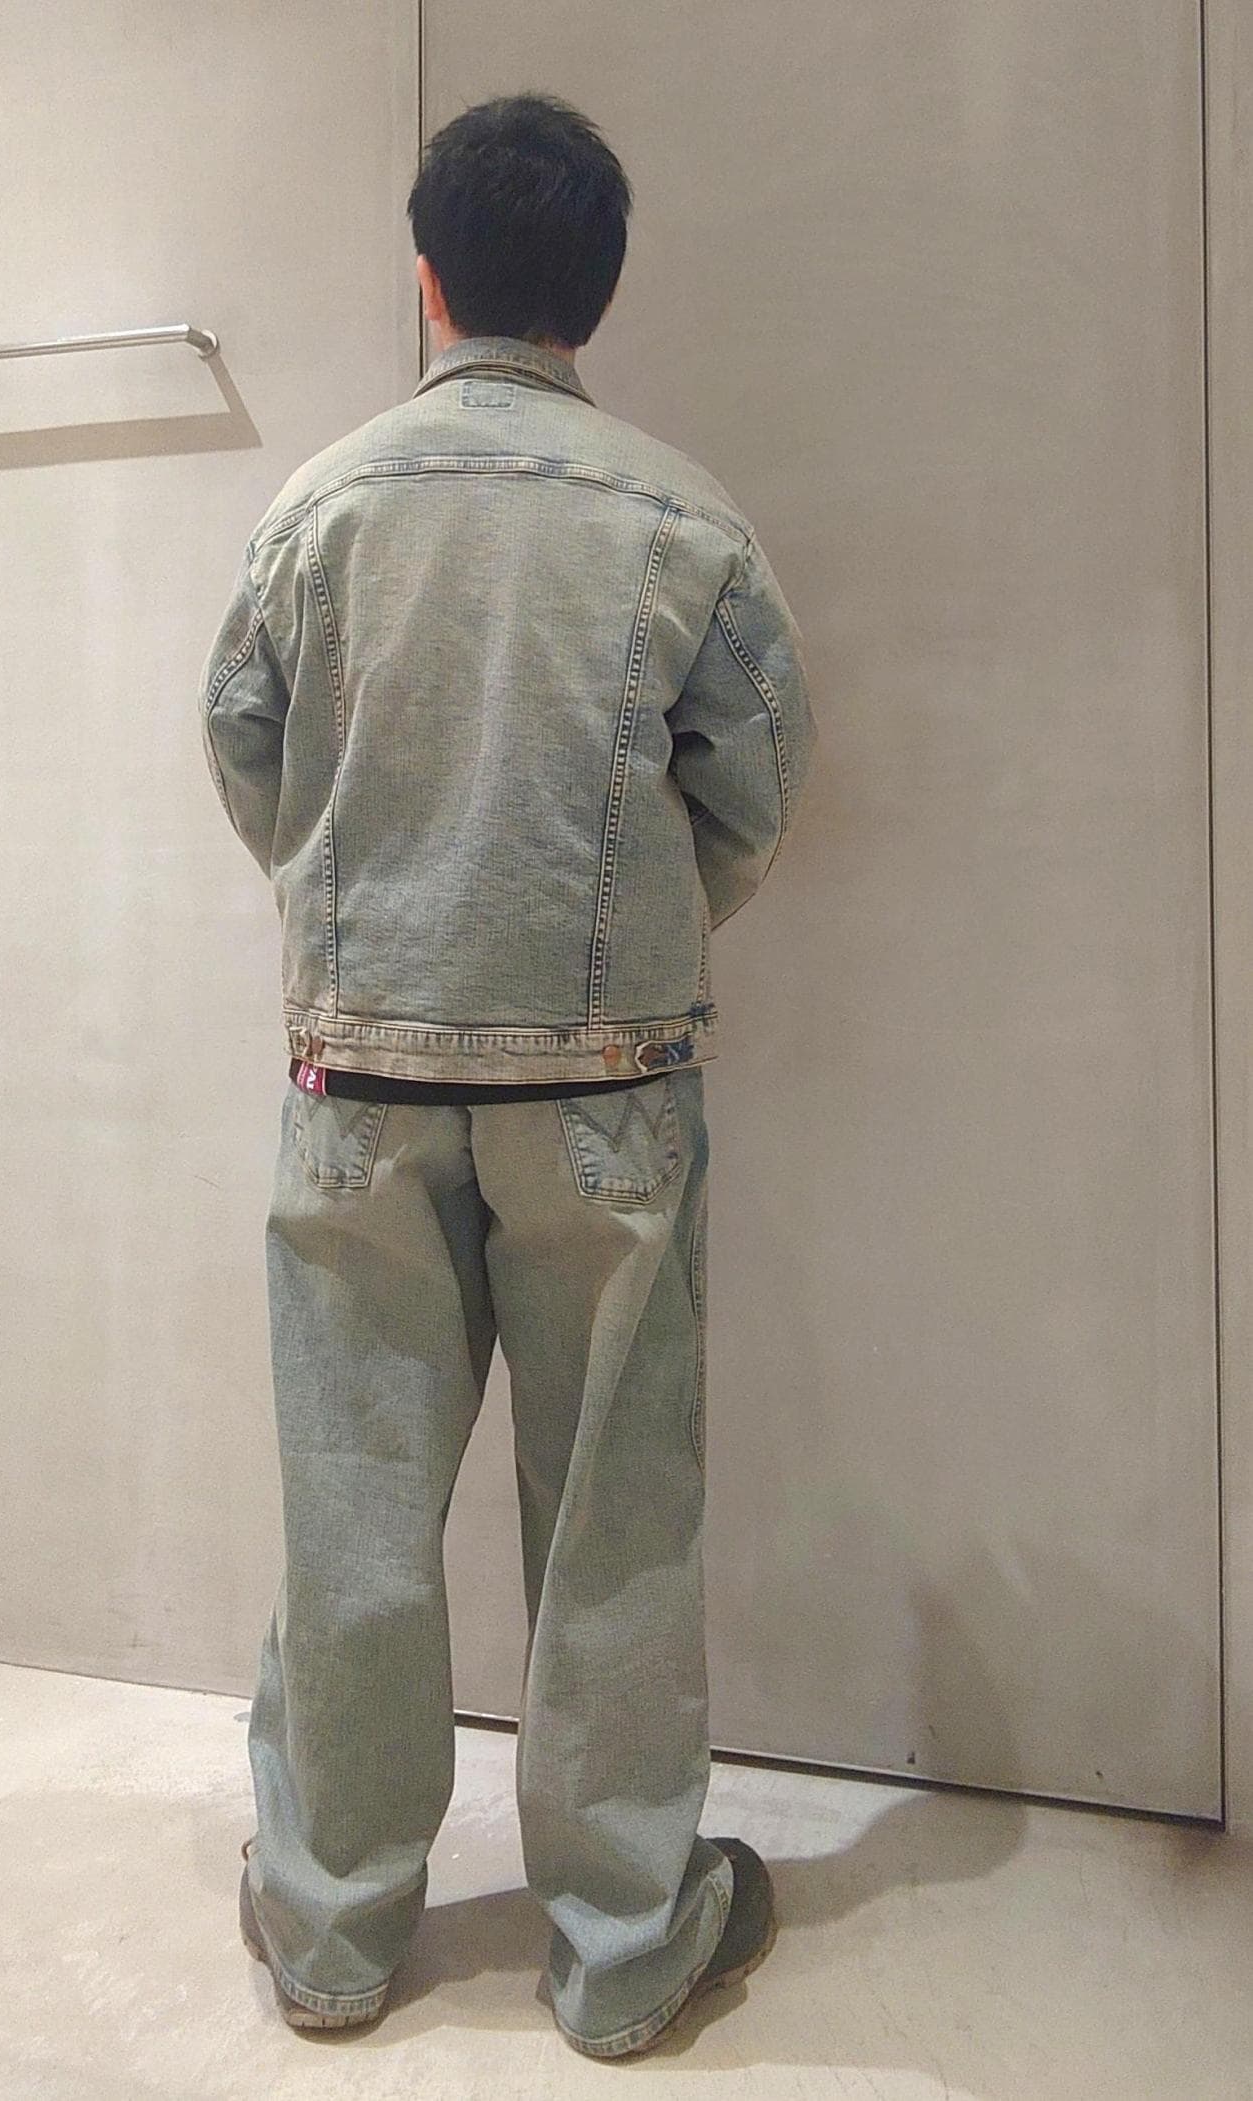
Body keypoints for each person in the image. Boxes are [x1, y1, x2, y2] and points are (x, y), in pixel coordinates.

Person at [198, 88, 817, 2061]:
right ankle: (626, 1948)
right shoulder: (681, 519)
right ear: (594, 295)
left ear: (429, 276)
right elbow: (755, 787)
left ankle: (331, 1931)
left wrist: (363, 920)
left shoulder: (320, 505)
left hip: (357, 1078)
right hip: (608, 1083)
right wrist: (633, 940)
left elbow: (246, 748)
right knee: (614, 1512)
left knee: (352, 1504)